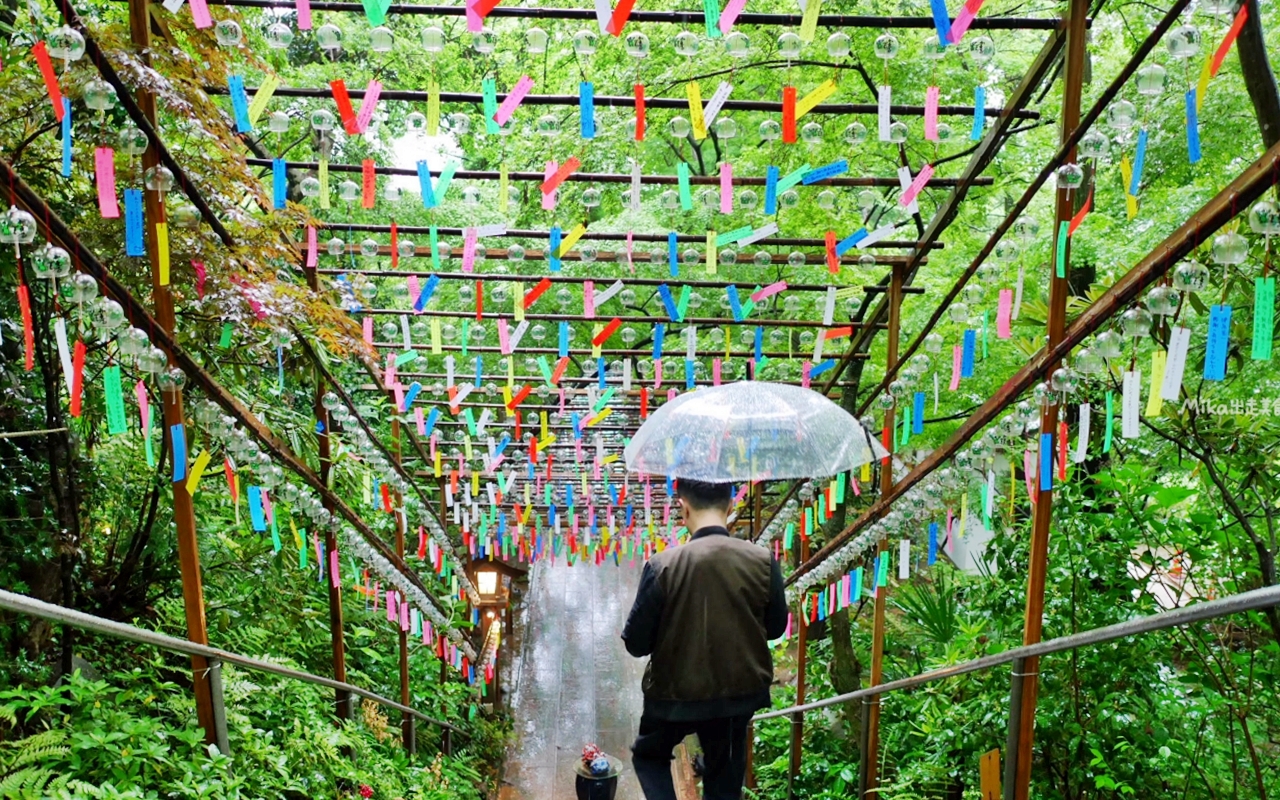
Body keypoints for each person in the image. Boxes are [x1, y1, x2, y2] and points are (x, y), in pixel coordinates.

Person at [621, 478, 788, 800]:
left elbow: (636, 644)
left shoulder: (663, 565)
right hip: (738, 695)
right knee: (724, 771)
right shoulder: (763, 561)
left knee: (650, 755)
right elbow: (777, 628)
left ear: (683, 508)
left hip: (673, 696)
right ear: (730, 506)